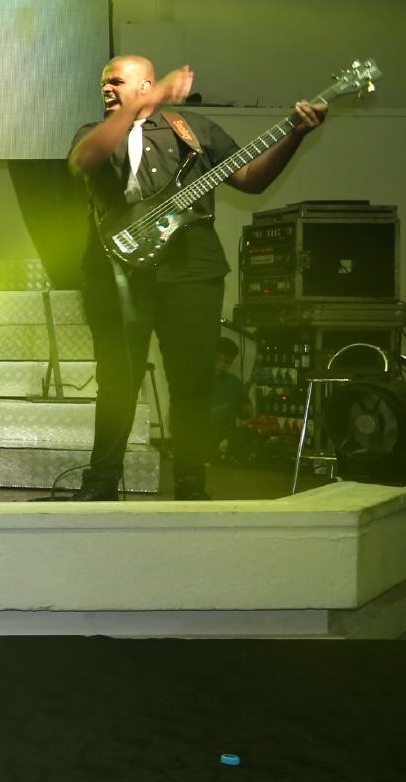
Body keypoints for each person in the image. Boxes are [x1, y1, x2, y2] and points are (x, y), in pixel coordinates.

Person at [66, 57, 325, 501]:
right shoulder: (95, 132)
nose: (106, 89)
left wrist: (296, 136)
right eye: (103, 83)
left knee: (192, 383)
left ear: (145, 83)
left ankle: (190, 485)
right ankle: (101, 482)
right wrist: (138, 106)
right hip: (116, 274)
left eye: (116, 82)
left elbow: (250, 180)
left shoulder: (194, 129)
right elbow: (85, 160)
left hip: (192, 271)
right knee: (117, 381)